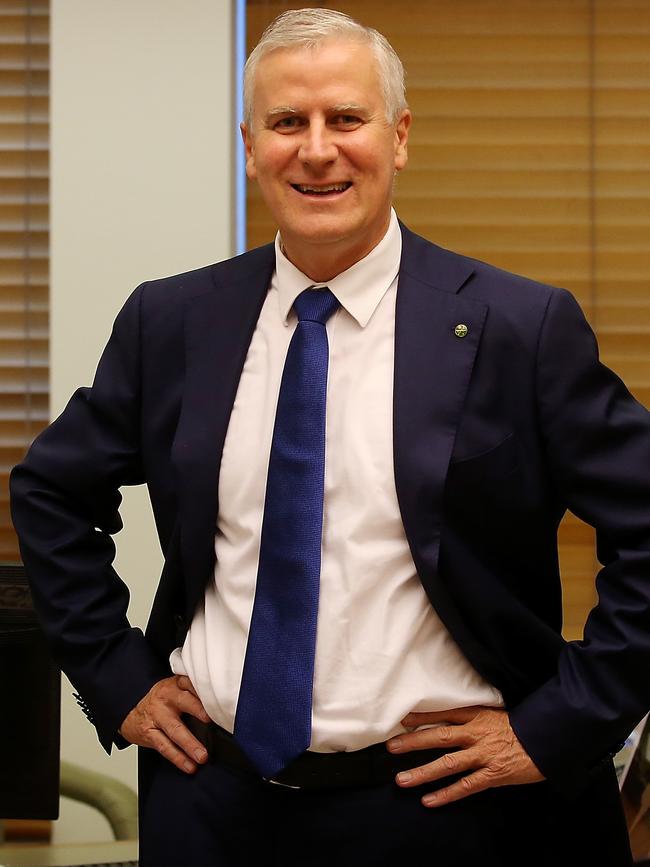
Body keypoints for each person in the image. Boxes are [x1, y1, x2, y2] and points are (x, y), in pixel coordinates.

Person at [10, 7, 650, 866]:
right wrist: (116, 675)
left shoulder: (518, 326)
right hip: (215, 808)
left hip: (454, 815)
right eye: (287, 123)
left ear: (399, 137)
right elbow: (51, 491)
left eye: (346, 118)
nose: (317, 150)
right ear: (250, 144)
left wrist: (561, 722)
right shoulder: (173, 321)